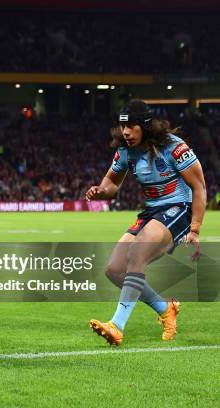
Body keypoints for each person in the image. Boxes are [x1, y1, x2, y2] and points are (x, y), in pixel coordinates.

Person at [86, 99, 206, 346]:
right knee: (114, 269)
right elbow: (111, 184)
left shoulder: (174, 147)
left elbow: (199, 186)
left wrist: (195, 228)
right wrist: (100, 191)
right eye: (123, 127)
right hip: (151, 212)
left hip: (179, 209)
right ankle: (165, 308)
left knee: (136, 254)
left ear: (145, 126)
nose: (126, 132)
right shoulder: (125, 152)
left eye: (131, 126)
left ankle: (117, 326)